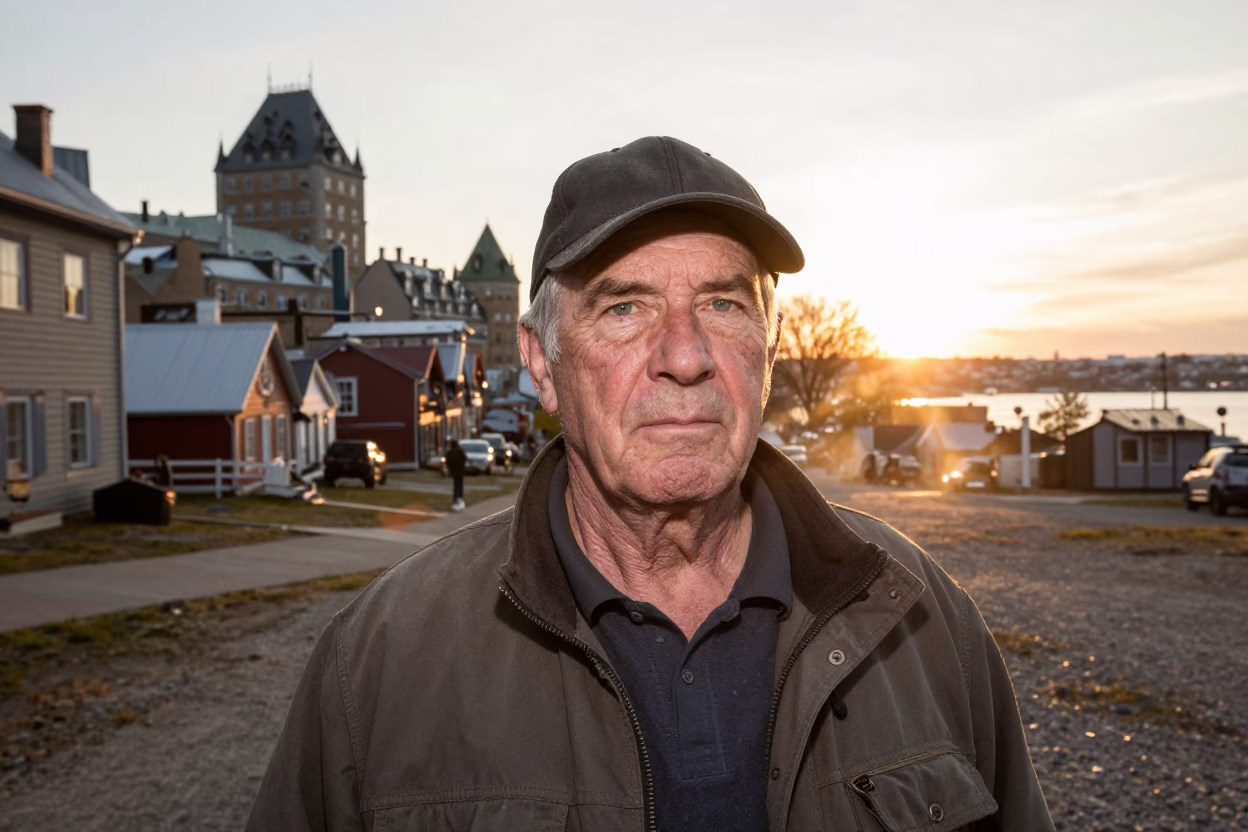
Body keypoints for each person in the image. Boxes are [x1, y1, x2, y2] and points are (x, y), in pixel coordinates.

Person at [247, 136, 1053, 831]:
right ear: (542, 363)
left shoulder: (920, 615)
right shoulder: (382, 659)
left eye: (724, 304)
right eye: (624, 308)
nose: (686, 356)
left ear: (770, 351)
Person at [443, 439, 466, 511]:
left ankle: (456, 497)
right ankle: (459, 496)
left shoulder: (450, 452)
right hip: (460, 470)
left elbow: (447, 461)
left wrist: (450, 468)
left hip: (454, 471)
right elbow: (465, 459)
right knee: (460, 483)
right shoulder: (460, 451)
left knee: (456, 484)